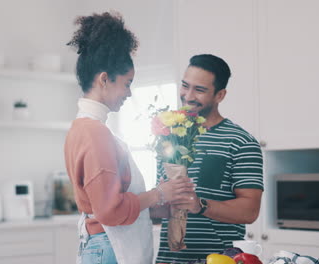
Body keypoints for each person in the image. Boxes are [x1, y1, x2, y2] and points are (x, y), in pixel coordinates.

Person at [64, 12, 195, 264]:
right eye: (127, 83)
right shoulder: (95, 133)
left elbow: (107, 204)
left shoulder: (82, 128)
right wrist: (159, 193)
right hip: (110, 249)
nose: (129, 93)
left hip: (102, 246)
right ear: (104, 79)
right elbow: (110, 211)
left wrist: (160, 207)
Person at [154, 54, 264, 263]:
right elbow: (160, 213)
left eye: (200, 90)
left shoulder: (241, 142)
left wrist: (200, 205)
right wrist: (158, 201)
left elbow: (250, 211)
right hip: (168, 259)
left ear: (220, 95)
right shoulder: (169, 137)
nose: (188, 96)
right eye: (185, 86)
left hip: (217, 260)